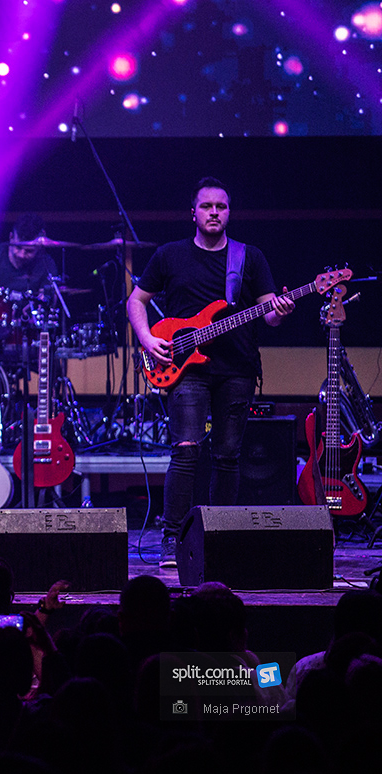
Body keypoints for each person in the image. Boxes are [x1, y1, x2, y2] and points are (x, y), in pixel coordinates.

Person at [127, 177, 293, 568]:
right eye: (207, 206)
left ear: (229, 212)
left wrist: (281, 310)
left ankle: (220, 535)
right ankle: (172, 538)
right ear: (194, 213)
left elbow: (268, 314)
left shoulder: (249, 257)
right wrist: (147, 339)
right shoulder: (169, 255)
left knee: (228, 455)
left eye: (221, 206)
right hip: (185, 368)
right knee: (186, 450)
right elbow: (137, 300)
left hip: (237, 368)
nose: (214, 212)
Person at [0, 212, 58, 297]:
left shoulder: (46, 264)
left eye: (29, 251)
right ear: (11, 237)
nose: (21, 255)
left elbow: (46, 300)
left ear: (39, 246)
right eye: (18, 247)